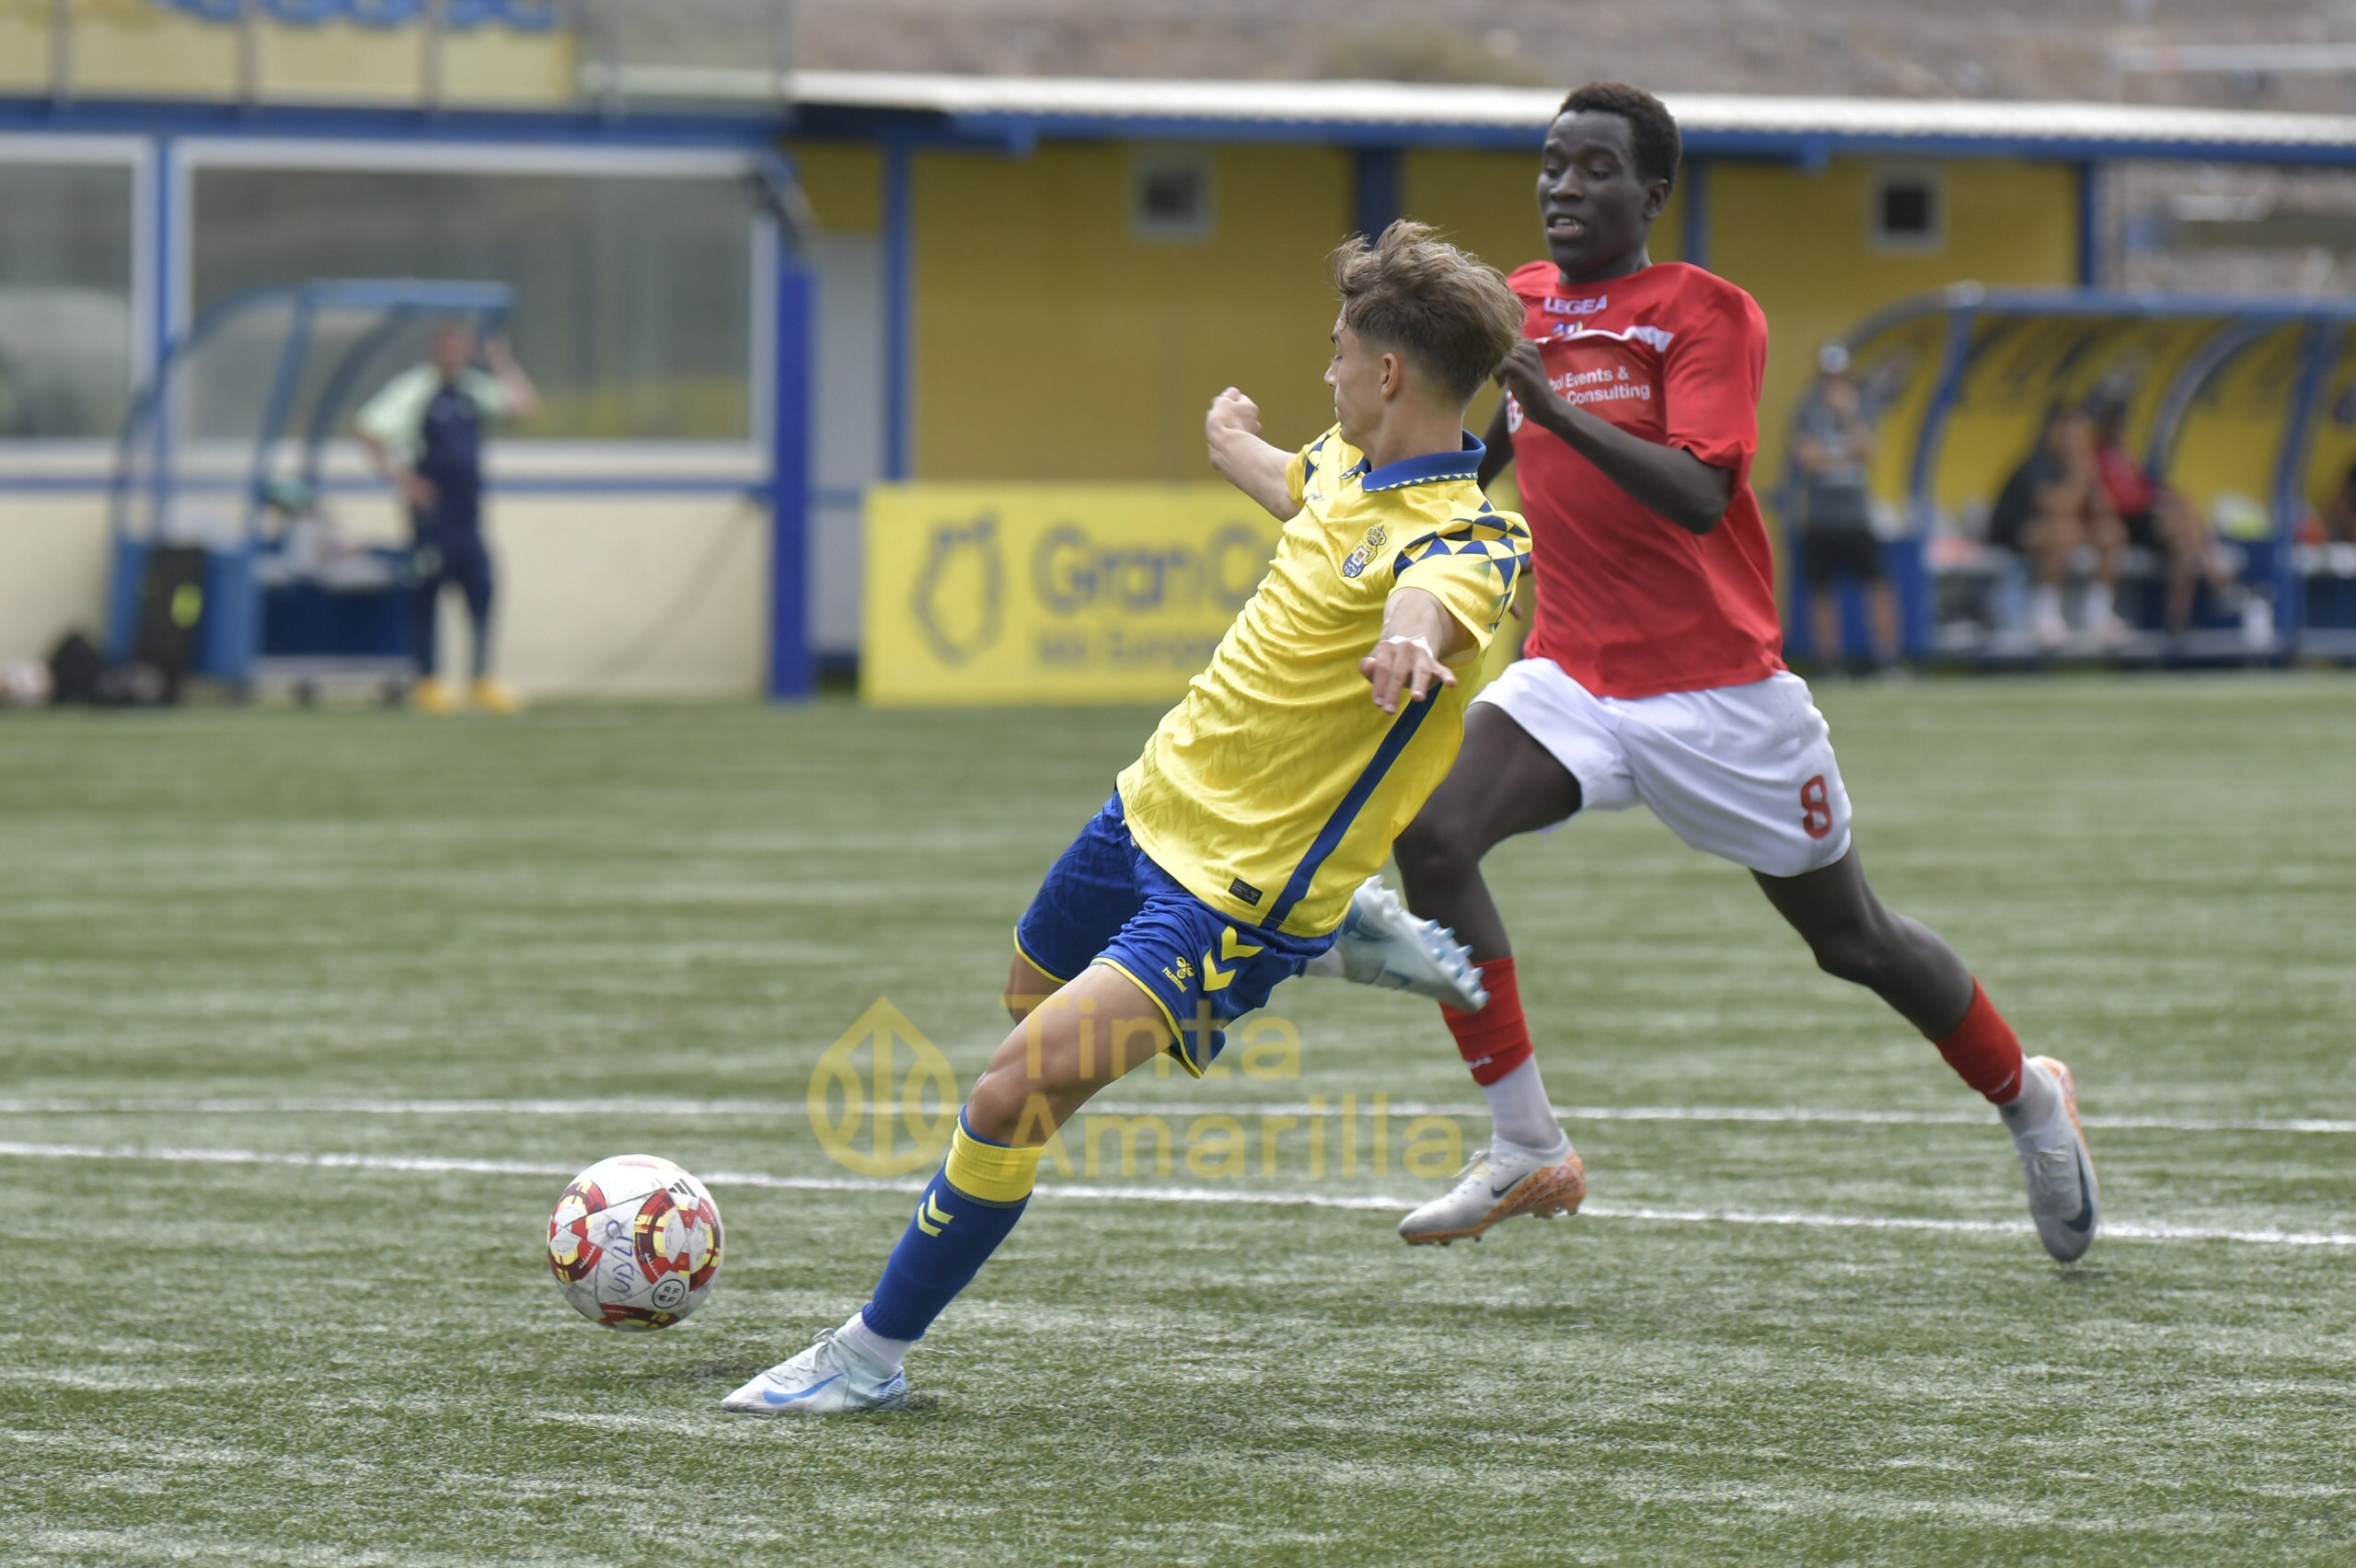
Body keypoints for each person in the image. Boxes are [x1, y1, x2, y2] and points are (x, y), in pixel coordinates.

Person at [721, 222, 1531, 1416]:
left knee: (1010, 1094)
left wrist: (1410, 642)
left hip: (1230, 895)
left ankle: (865, 1357)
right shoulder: (1344, 465)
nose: (1326, 373)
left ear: (1389, 371)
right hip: (1141, 810)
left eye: (1336, 352)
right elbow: (1293, 486)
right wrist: (1229, 439)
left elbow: (1430, 600)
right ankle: (1335, 935)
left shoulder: (1471, 541)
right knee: (1026, 1011)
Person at [1321, 83, 2097, 1264]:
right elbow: (1475, 461)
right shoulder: (1520, 305)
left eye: (1594, 168)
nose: (1564, 187)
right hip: (1572, 677)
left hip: (1720, 696)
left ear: (1652, 194)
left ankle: (2029, 1098)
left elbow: (1698, 492)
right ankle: (1527, 1143)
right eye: (1552, 164)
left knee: (1855, 943)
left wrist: (1549, 407)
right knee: (1431, 839)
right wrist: (1374, 514)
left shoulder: (1703, 312)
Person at [356, 321, 537, 714]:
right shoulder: (416, 388)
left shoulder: (473, 389)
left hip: (467, 514)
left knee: (482, 587)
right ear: (436, 349)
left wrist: (502, 364)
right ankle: (428, 681)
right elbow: (368, 429)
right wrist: (406, 482)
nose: (453, 354)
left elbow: (522, 407)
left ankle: (481, 680)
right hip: (432, 516)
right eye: (447, 346)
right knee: (427, 591)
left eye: (460, 347)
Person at [2087, 396, 2240, 638]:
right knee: (2179, 523)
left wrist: (2169, 500)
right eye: (2114, 423)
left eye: (2122, 423)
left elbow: (2148, 487)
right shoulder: (2096, 456)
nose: (2119, 428)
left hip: (2142, 518)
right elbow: (2110, 499)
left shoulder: (2127, 455)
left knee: (2185, 534)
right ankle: (2217, 572)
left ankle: (2177, 618)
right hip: (2125, 520)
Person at [1790, 340, 1898, 671]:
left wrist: (1848, 417)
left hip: (1857, 516)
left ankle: (1887, 659)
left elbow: (1869, 452)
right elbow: (1808, 459)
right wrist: (1843, 456)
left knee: (1878, 585)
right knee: (1821, 591)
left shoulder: (1861, 408)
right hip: (1821, 517)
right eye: (1828, 377)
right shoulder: (1807, 411)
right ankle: (1829, 662)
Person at [1987, 408, 2119, 649]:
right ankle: (2044, 614)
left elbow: (2107, 509)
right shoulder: (2038, 463)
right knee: (2062, 532)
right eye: (2069, 437)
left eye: (2080, 437)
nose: (2074, 444)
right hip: (2013, 533)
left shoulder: (2084, 466)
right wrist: (2079, 478)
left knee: (2109, 533)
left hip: (2060, 532)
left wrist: (2093, 480)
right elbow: (2056, 507)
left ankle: (2098, 612)